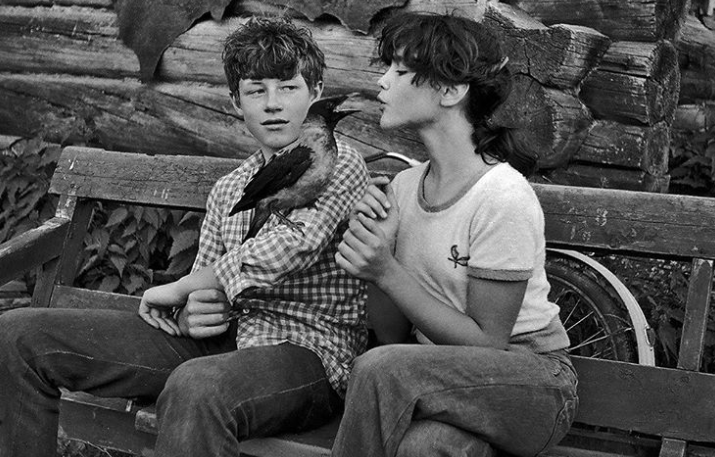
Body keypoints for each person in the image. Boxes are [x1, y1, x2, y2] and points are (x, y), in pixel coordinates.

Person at [0, 17, 369, 457]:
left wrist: (181, 287)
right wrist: (192, 311)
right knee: (18, 334)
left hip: (308, 354)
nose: (273, 104)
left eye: (288, 88)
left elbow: (293, 246)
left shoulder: (341, 161)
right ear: (236, 102)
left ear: (316, 93)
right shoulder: (230, 190)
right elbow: (201, 288)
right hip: (219, 344)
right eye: (256, 91)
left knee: (196, 386)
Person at [333, 12, 578, 457]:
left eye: (400, 71)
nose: (382, 82)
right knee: (424, 447)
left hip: (532, 382)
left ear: (450, 91)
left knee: (379, 369)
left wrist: (387, 272)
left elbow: (488, 345)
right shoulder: (404, 188)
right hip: (441, 378)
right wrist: (376, 254)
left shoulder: (502, 197)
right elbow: (391, 335)